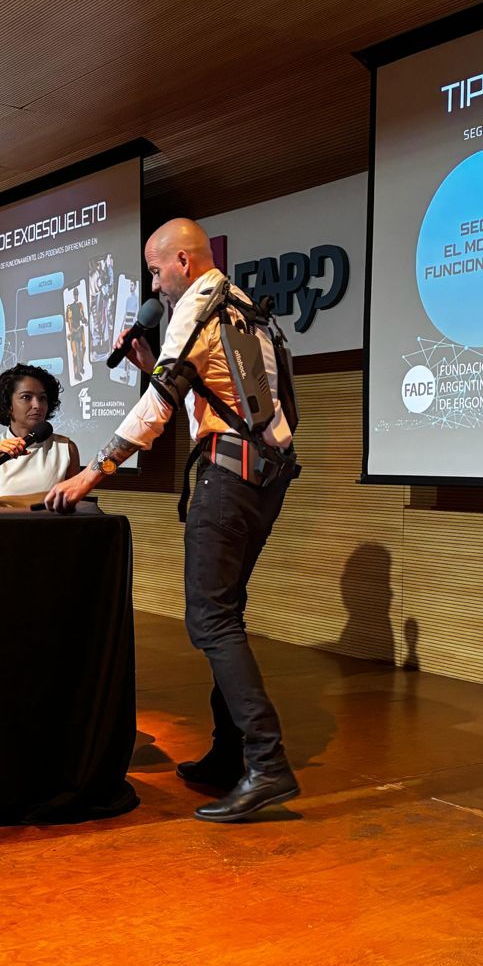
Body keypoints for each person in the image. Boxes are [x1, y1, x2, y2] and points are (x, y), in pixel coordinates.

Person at [45, 218, 299, 823]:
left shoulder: (193, 310)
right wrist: (151, 361)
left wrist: (92, 473)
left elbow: (158, 406)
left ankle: (267, 763)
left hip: (227, 477)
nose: (154, 285)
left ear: (183, 262)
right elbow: (225, 396)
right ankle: (230, 753)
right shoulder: (239, 307)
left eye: (156, 271)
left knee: (210, 619)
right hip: (266, 477)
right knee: (226, 612)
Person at [0, 363, 79, 506]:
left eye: (42, 398)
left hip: (50, 521)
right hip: (5, 521)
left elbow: (75, 504)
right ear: (8, 405)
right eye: (26, 397)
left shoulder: (66, 448)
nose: (37, 405)